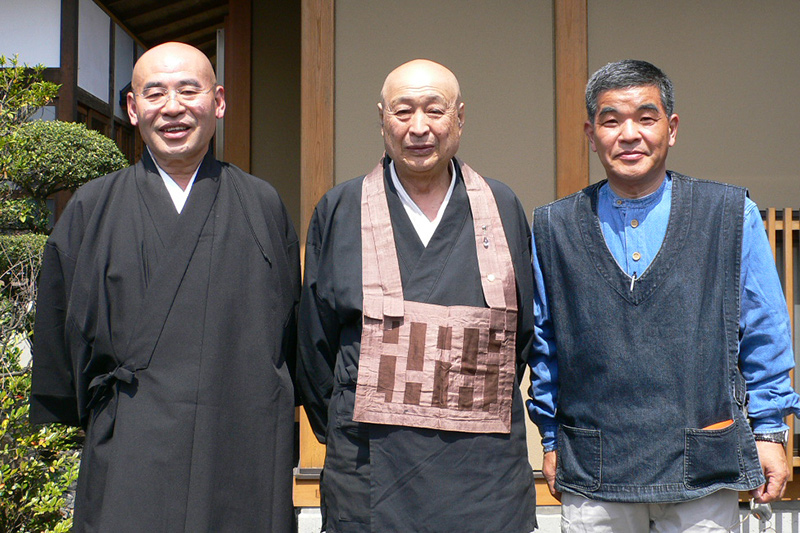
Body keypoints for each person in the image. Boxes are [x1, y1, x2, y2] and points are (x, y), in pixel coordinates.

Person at [30, 42, 300, 532]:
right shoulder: (94, 207)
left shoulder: (262, 204)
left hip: (239, 439)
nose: (172, 107)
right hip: (132, 442)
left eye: (188, 90)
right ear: (133, 109)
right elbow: (59, 329)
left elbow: (289, 330)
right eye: (154, 93)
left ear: (218, 102)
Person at [529, 59, 800, 531]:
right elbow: (545, 343)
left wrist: (770, 431)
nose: (629, 134)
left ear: (671, 129)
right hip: (595, 470)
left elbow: (765, 330)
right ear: (591, 134)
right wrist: (550, 439)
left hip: (702, 463)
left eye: (646, 118)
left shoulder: (729, 213)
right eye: (611, 121)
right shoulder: (554, 227)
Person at [297, 59, 537, 532]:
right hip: (370, 462)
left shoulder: (501, 205)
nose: (419, 127)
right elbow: (313, 347)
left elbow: (523, 337)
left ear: (460, 118)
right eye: (403, 112)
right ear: (382, 119)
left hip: (482, 469)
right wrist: (348, 418)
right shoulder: (340, 208)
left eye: (435, 110)